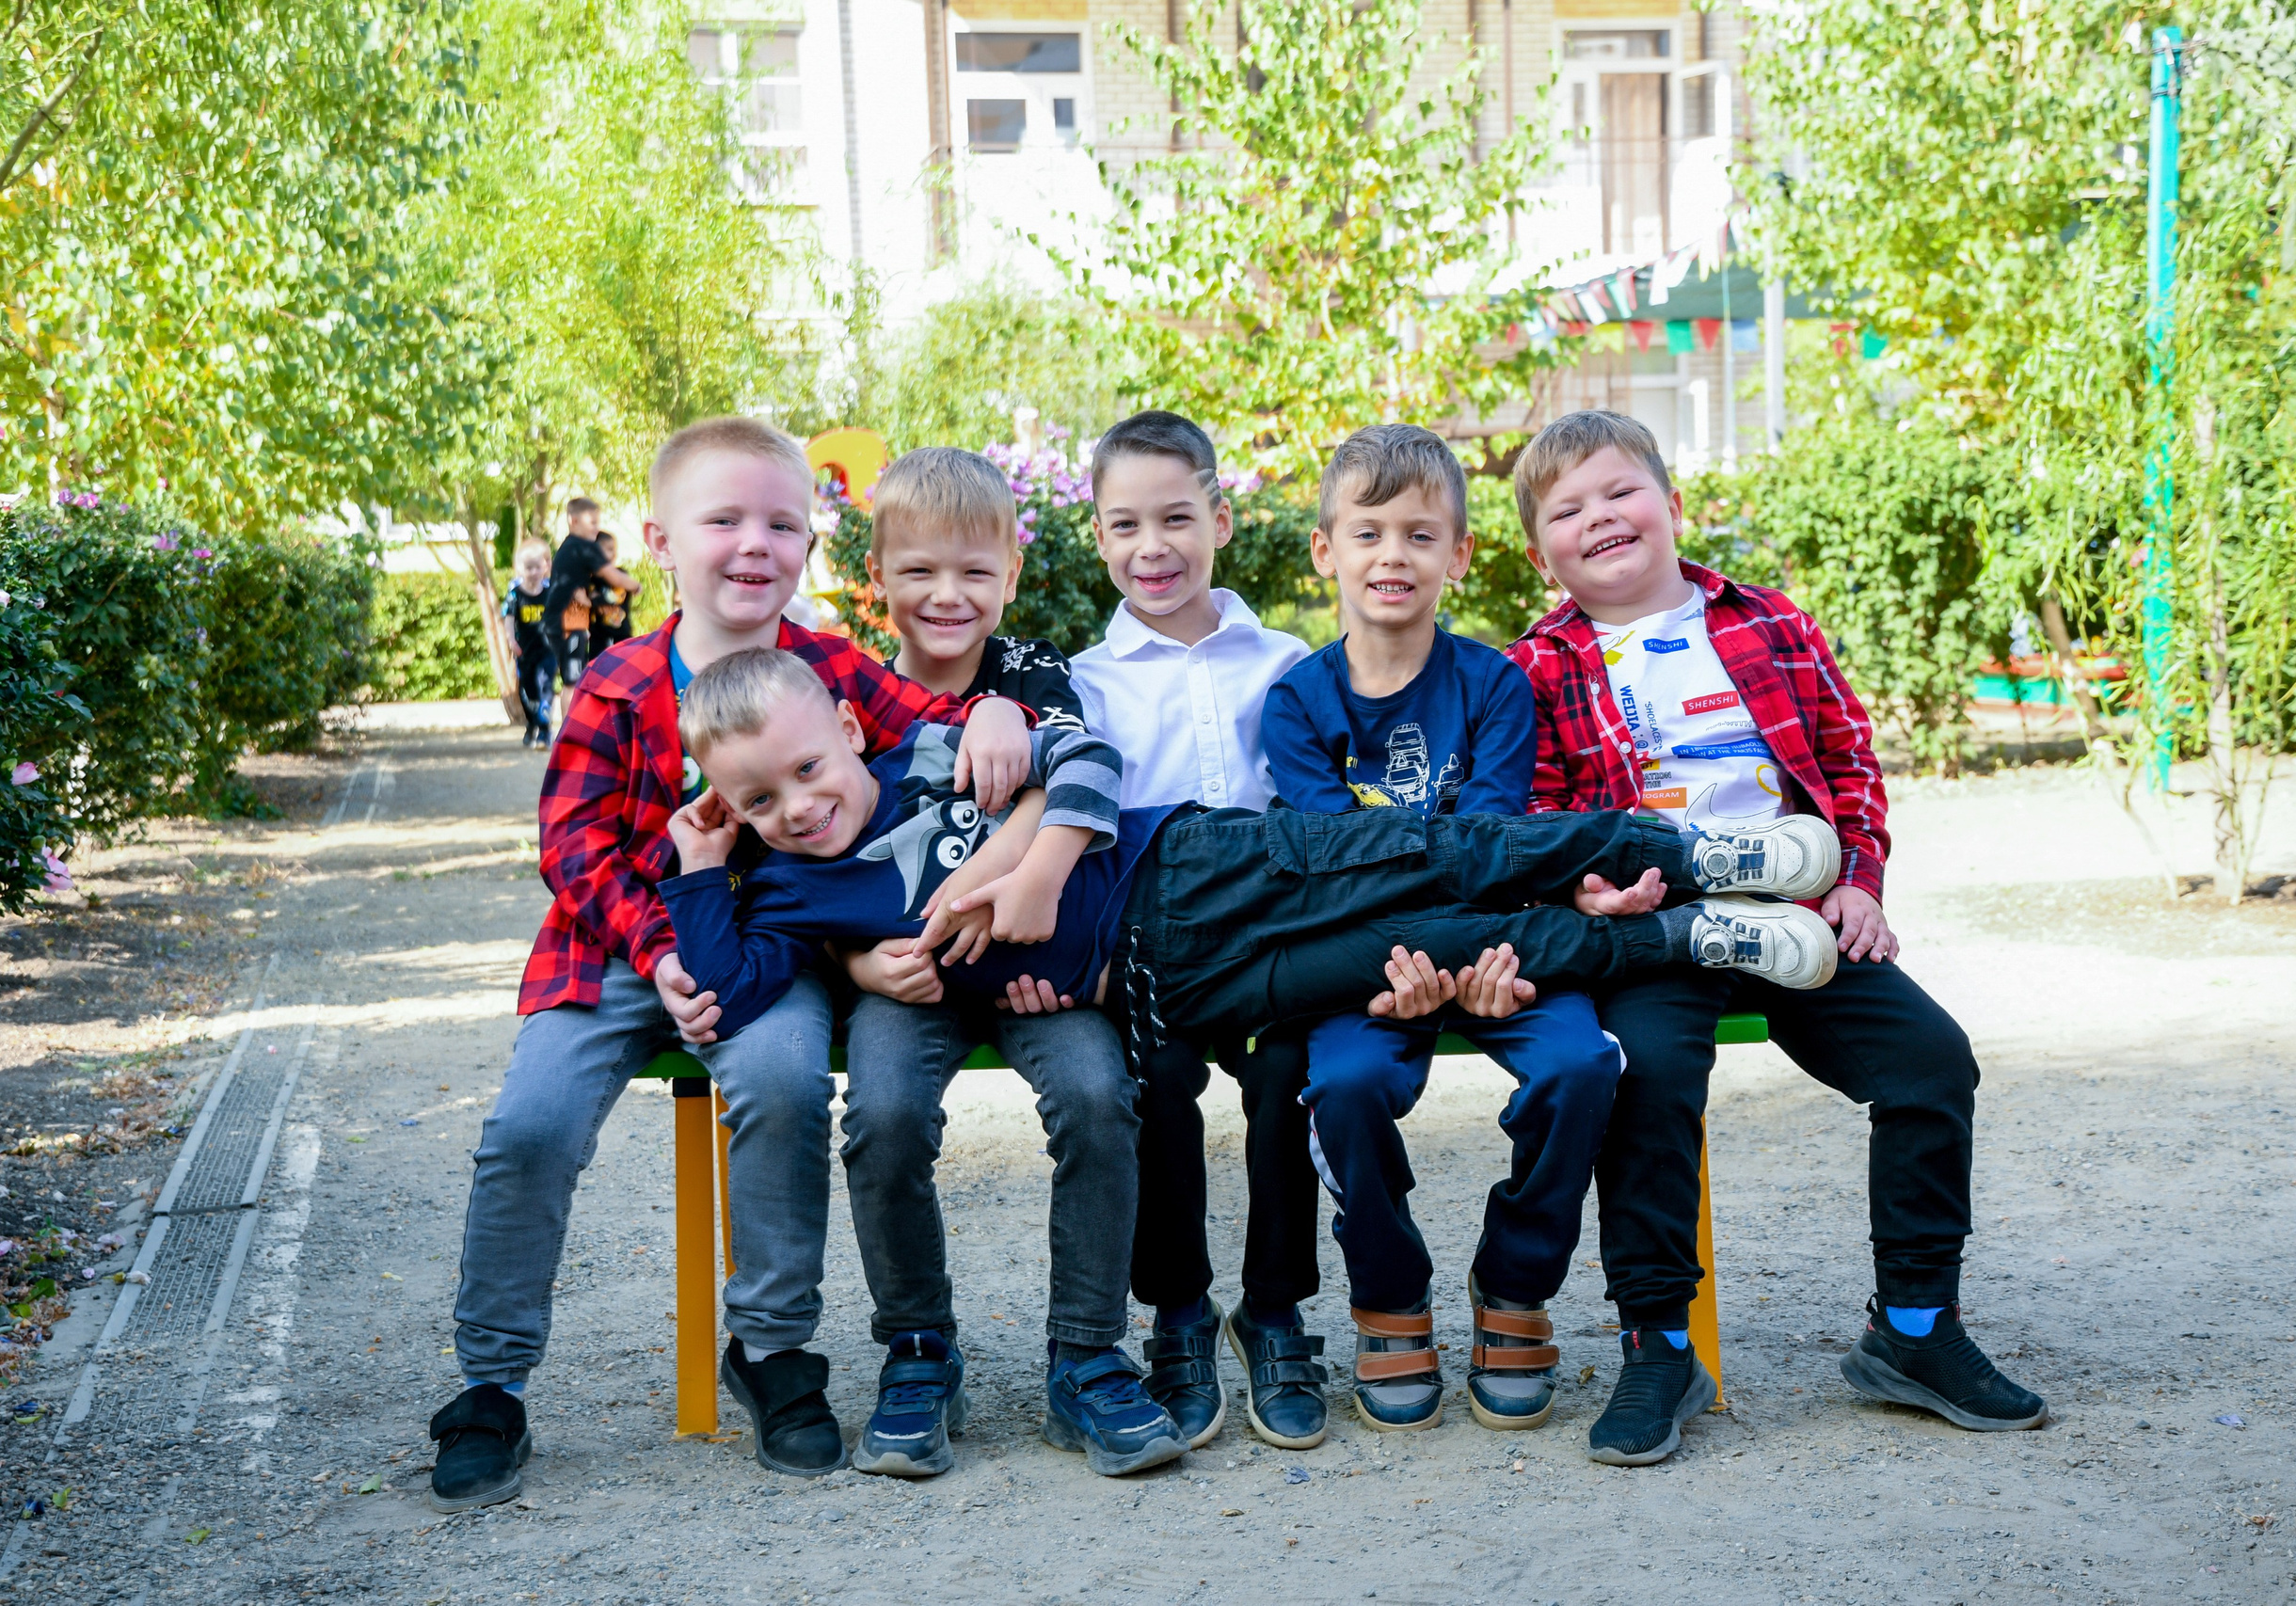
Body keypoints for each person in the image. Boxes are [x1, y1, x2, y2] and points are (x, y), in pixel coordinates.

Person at [650, 653, 1843, 1472]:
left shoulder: (940, 755)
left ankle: (1681, 849)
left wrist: (1028, 876)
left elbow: (1092, 763)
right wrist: (699, 866)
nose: (795, 807)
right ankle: (1684, 933)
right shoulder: (791, 889)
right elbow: (737, 988)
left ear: (847, 733)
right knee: (1415, 939)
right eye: (754, 799)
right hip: (1174, 985)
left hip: (1191, 870)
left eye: (805, 771)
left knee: (1431, 848)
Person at [425, 418, 1036, 1514]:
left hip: (765, 950)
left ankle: (772, 1351)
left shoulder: (826, 667)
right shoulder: (613, 687)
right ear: (661, 539)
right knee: (531, 1123)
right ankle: (490, 1382)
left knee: (786, 1082)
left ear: (807, 544)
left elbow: (935, 717)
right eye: (724, 521)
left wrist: (994, 702)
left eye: (781, 524)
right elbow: (571, 846)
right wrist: (658, 951)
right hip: (616, 946)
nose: (754, 544)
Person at [1503, 408, 2049, 1468]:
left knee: (1931, 1063)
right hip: (1660, 926)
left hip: (1797, 914)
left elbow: (1848, 764)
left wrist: (1855, 882)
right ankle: (1657, 1343)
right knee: (1647, 1081)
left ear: (1669, 502)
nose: (1600, 518)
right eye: (1568, 510)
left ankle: (1915, 1329)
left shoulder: (1767, 624)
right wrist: (1593, 892)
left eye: (1619, 492)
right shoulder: (1540, 666)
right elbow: (1541, 814)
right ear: (1542, 554)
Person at [1262, 424, 1828, 1436]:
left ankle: (1513, 1287)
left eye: (1420, 535)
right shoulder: (1297, 702)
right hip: (1371, 961)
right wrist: (1415, 960)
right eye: (1368, 534)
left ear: (1460, 555)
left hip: (1501, 948)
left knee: (1580, 1068)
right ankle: (1388, 1297)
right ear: (1325, 551)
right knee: (1342, 1085)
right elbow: (1331, 865)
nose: (1393, 557)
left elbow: (1496, 845)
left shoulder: (1494, 685)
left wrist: (1478, 959)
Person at [829, 447, 1183, 1479]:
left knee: (1095, 1094)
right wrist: (858, 965)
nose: (949, 596)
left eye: (976, 574)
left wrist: (1021, 871)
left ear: (1012, 578)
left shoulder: (1033, 674)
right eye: (922, 573)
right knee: (884, 1114)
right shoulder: (845, 693)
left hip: (1037, 964)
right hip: (912, 973)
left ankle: (1086, 1355)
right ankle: (917, 1350)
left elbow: (1084, 774)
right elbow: (804, 846)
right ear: (879, 576)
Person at [1064, 411, 1322, 1452]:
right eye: (1124, 526)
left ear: (1219, 517)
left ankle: (1274, 1308)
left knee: (1289, 1075)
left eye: (1176, 518)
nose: (1152, 547)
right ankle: (1176, 1313)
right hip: (1153, 949)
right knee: (1153, 1084)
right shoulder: (1085, 680)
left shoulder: (1289, 659)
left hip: (1271, 940)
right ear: (1098, 537)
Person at [544, 498, 641, 690]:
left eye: (598, 522)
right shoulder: (584, 547)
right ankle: (571, 721)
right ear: (574, 521)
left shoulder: (569, 546)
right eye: (593, 522)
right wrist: (635, 585)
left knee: (576, 679)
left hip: (567, 621)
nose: (597, 528)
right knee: (573, 683)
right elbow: (615, 578)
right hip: (568, 621)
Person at [504, 542, 554, 747]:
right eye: (529, 567)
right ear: (520, 569)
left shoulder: (551, 590)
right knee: (529, 691)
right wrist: (511, 640)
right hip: (525, 651)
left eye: (537, 567)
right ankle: (532, 723)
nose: (534, 572)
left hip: (548, 650)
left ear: (545, 567)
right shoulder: (515, 594)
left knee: (545, 686)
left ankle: (544, 731)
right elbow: (508, 618)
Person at [588, 530, 643, 660]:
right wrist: (592, 598)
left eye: (614, 549)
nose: (614, 554)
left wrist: (595, 599)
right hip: (597, 636)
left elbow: (615, 597)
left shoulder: (620, 575)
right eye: (609, 549)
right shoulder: (590, 579)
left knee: (623, 668)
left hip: (621, 634)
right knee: (598, 669)